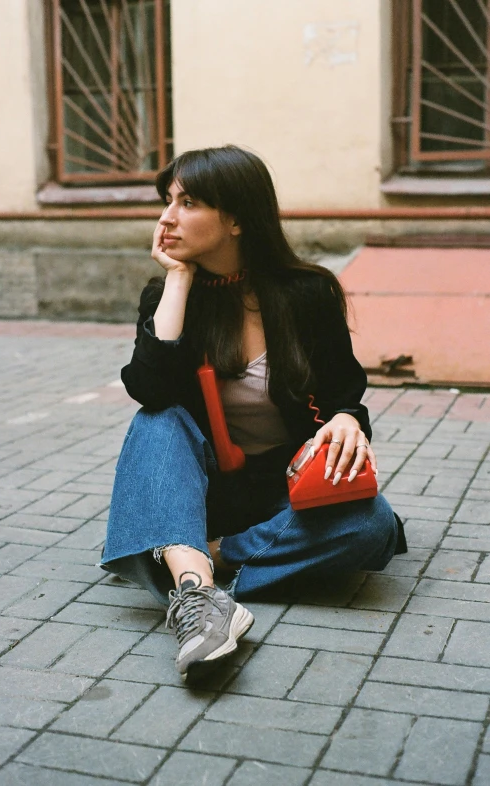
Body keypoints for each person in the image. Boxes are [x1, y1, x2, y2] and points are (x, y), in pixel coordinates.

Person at [100, 145, 406, 682]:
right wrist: (176, 279)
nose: (167, 217)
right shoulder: (168, 297)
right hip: (209, 489)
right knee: (156, 420)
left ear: (237, 218)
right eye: (166, 201)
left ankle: (197, 561)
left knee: (372, 525)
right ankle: (201, 602)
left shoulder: (306, 294)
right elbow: (149, 390)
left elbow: (343, 391)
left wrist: (346, 420)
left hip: (283, 495)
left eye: (188, 202)